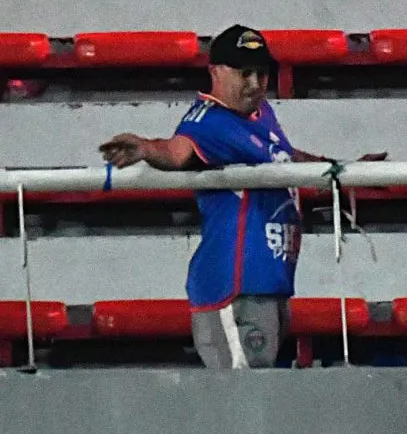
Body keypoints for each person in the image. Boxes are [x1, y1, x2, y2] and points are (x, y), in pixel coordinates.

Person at [99, 24, 337, 369]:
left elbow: (283, 157)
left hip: (270, 283)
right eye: (245, 74)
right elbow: (177, 153)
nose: (255, 84)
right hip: (235, 288)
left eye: (261, 73)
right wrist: (145, 148)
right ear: (216, 72)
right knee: (244, 406)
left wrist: (336, 170)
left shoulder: (260, 112)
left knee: (259, 401)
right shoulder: (208, 122)